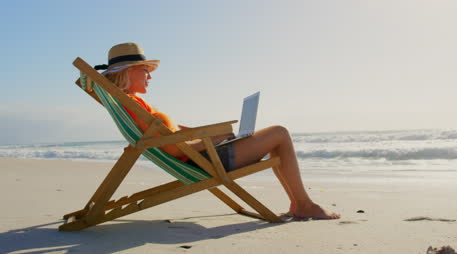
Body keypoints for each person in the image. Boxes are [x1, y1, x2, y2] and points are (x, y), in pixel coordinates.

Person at [95, 42, 340, 220]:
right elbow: (171, 147)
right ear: (128, 71)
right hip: (205, 161)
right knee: (280, 133)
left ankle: (300, 203)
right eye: (145, 70)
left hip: (201, 156)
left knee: (276, 138)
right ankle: (303, 204)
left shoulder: (136, 104)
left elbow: (171, 135)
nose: (150, 76)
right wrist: (213, 138)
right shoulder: (135, 106)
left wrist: (210, 134)